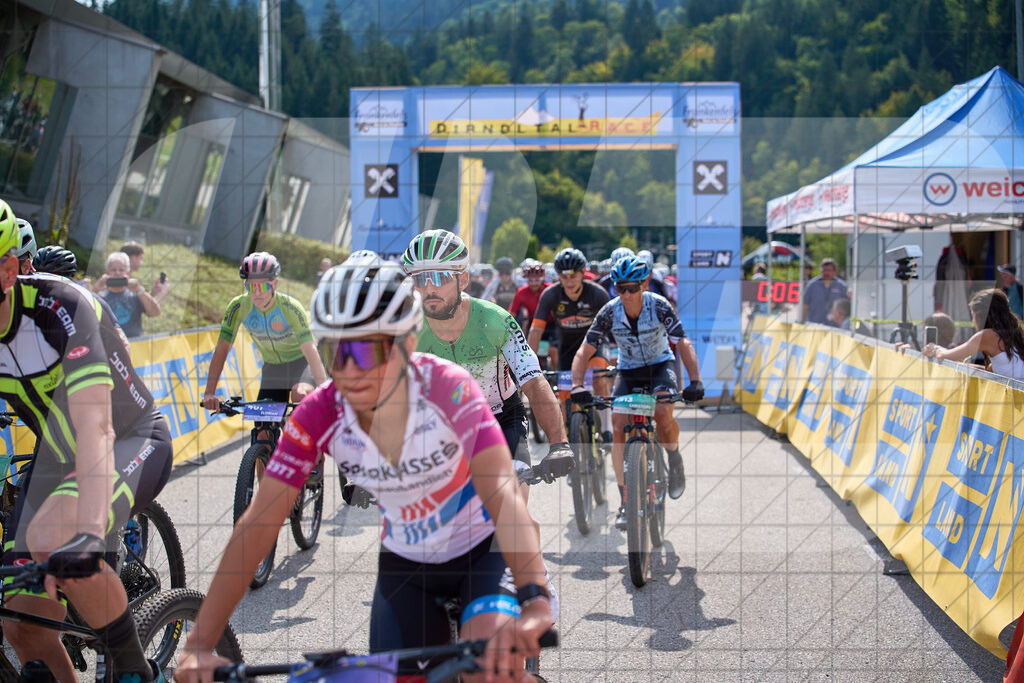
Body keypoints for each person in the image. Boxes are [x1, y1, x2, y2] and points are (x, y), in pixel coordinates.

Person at [176, 258, 553, 682]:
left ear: (408, 345)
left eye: (367, 350)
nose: (349, 370)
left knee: (490, 673)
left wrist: (536, 599)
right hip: (409, 564)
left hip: (484, 551)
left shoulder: (449, 388)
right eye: (335, 351)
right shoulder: (320, 412)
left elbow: (504, 497)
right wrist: (199, 646)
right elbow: (258, 523)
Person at [0, 200, 173, 682]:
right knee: (22, 627)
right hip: (57, 457)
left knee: (53, 540)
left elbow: (97, 426)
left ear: (10, 269)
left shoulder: (59, 307)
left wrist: (87, 528)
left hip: (128, 437)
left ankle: (134, 670)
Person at [401, 230, 572, 478]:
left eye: (439, 278)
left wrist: (559, 444)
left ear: (463, 280)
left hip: (501, 419)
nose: (429, 289)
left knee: (512, 508)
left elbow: (534, 383)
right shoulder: (406, 329)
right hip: (440, 426)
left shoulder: (495, 320)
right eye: (420, 279)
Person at [571, 255, 704, 530]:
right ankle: (625, 500)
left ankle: (674, 458)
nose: (627, 294)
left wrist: (695, 381)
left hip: (660, 365)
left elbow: (683, 342)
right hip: (629, 370)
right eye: (621, 289)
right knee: (619, 423)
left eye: (633, 288)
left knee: (663, 412)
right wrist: (576, 385)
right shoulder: (610, 311)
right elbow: (585, 350)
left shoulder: (659, 306)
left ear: (644, 284)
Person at [202, 252, 327, 414]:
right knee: (262, 429)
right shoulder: (239, 307)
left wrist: (325, 392)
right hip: (273, 368)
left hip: (301, 364)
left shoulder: (291, 308)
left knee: (299, 393)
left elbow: (310, 351)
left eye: (262, 286)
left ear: (274, 284)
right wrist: (209, 393)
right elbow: (222, 348)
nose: (257, 293)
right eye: (251, 287)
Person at [528, 248, 611, 426]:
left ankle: (606, 428)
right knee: (566, 399)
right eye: (564, 277)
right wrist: (528, 362)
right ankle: (571, 435)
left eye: (573, 276)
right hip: (567, 348)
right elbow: (535, 331)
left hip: (595, 347)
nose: (569, 281)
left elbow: (615, 328)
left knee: (598, 379)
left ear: (583, 273)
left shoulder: (597, 294)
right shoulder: (550, 295)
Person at [921, 288, 1024, 380]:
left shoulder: (987, 336)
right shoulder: (1014, 333)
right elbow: (1000, 370)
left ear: (980, 316)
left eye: (972, 315)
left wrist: (935, 348)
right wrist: (965, 366)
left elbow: (945, 356)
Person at [96, 251, 161, 338]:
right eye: (113, 270)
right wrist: (96, 288)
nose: (117, 273)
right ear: (107, 272)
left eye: (121, 270)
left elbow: (155, 313)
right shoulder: (100, 297)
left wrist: (138, 289)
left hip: (134, 345)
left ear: (127, 272)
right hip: (109, 346)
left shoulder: (135, 294)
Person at [801, 257, 848, 324]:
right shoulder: (812, 285)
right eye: (824, 270)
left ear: (834, 271)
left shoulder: (842, 286)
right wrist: (802, 322)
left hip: (835, 328)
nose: (826, 273)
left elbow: (846, 308)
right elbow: (805, 305)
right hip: (814, 326)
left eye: (829, 270)